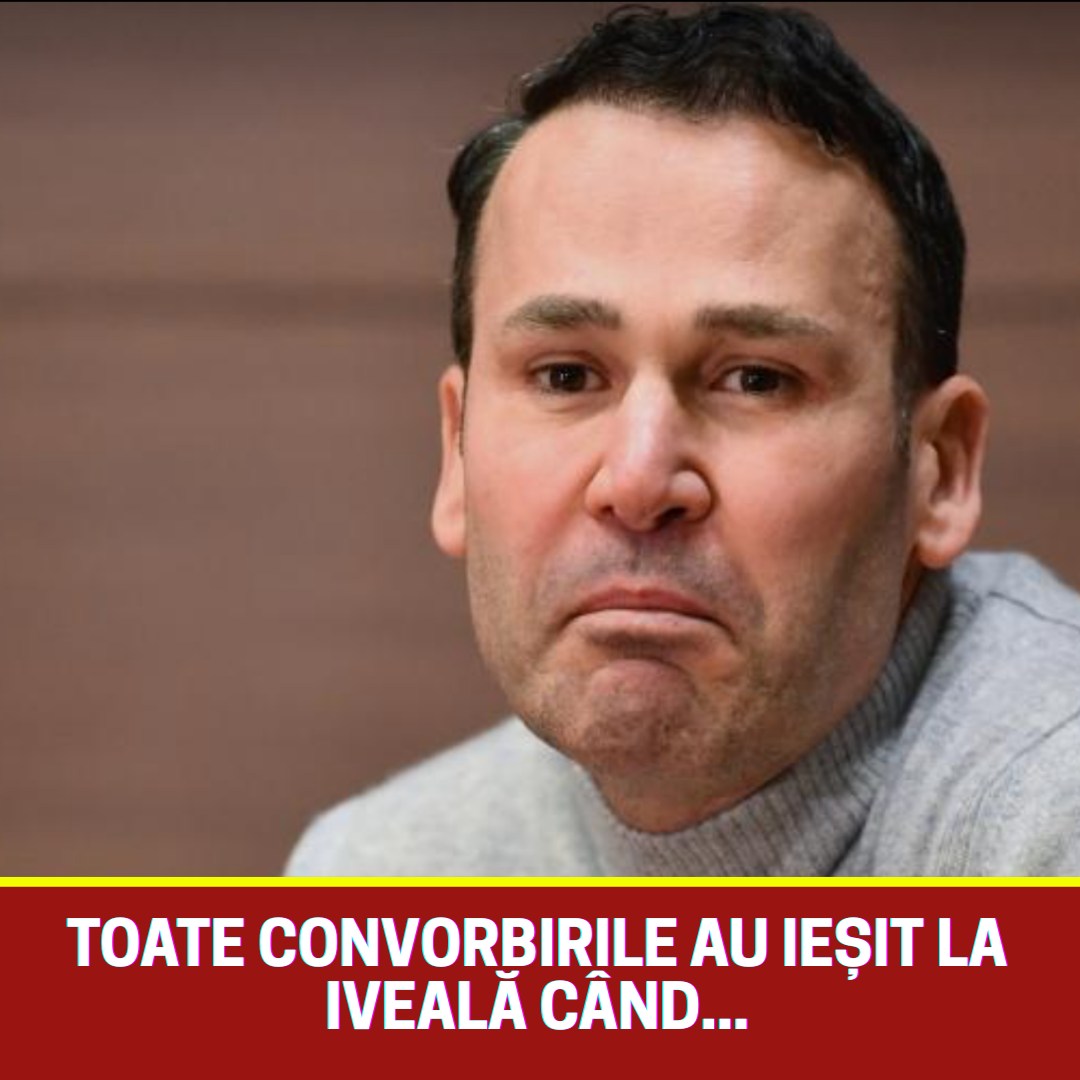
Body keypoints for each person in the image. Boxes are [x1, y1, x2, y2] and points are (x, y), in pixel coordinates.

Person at [287, 3, 1080, 876]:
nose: (638, 481)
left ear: (941, 470)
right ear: (456, 453)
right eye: (566, 376)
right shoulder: (378, 873)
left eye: (757, 380)